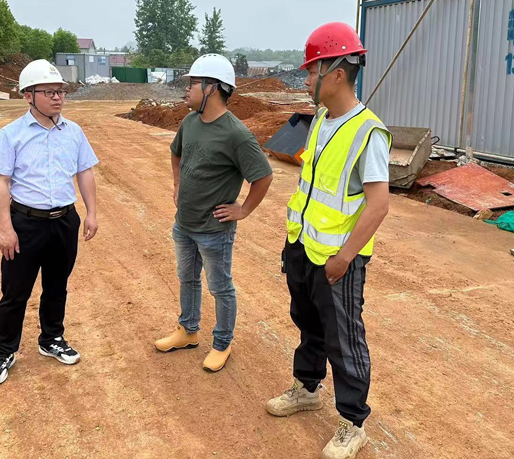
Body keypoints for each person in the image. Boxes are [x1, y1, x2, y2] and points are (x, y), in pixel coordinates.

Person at [265, 23, 391, 459]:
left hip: (338, 259)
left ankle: (353, 424)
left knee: (344, 339)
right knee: (308, 324)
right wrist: (294, 243)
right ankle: (307, 388)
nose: (305, 78)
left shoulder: (368, 132)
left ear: (337, 72)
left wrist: (345, 257)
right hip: (303, 247)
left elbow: (378, 204)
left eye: (311, 69)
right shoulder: (320, 120)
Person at [154, 53, 273, 372]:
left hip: (214, 231)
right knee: (187, 278)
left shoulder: (236, 134)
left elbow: (263, 176)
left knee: (220, 287)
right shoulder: (189, 122)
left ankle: (222, 343)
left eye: (193, 83)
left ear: (213, 88)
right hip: (184, 224)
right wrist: (177, 184)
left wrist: (243, 209)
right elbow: (176, 154)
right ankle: (188, 330)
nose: (187, 88)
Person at [0, 59, 98, 385]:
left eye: (60, 91)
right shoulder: (11, 135)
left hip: (64, 222)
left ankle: (51, 339)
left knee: (57, 286)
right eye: (48, 92)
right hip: (26, 223)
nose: (57, 97)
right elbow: (0, 181)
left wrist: (91, 213)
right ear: (28, 96)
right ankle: (4, 351)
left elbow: (85, 172)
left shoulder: (73, 132)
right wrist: (6, 229)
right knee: (15, 291)